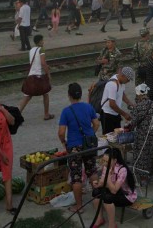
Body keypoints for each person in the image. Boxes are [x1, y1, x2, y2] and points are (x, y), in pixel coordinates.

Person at [59, 83, 100, 219]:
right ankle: (99, 199)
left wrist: (64, 142)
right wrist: (90, 135)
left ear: (69, 96)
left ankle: (79, 206)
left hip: (74, 147)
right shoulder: (88, 107)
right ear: (81, 94)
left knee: (76, 177)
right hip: (88, 145)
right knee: (92, 171)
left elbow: (61, 132)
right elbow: (96, 124)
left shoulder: (66, 111)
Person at [90, 146, 138, 228]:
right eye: (103, 160)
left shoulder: (122, 170)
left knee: (107, 198)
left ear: (115, 160)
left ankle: (112, 225)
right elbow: (103, 181)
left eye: (106, 161)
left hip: (126, 195)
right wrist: (98, 183)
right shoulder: (106, 166)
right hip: (114, 189)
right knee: (96, 192)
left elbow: (114, 190)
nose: (104, 163)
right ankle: (99, 218)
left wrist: (108, 177)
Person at [129, 83, 153, 187]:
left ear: (138, 94)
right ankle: (149, 174)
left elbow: (132, 123)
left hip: (141, 135)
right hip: (152, 134)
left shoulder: (137, 107)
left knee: (140, 155)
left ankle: (142, 179)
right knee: (150, 154)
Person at [18, 34, 52, 119]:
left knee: (27, 97)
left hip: (31, 76)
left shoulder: (31, 50)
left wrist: (46, 66)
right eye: (43, 40)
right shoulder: (41, 49)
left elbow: (35, 62)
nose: (43, 42)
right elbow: (43, 63)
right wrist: (48, 74)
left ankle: (17, 115)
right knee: (46, 94)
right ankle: (46, 114)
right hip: (38, 77)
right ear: (40, 41)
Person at [100, 67, 135, 133]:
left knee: (117, 134)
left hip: (115, 113)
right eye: (128, 79)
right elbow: (112, 104)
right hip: (107, 115)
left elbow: (121, 92)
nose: (128, 81)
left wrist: (129, 102)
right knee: (109, 136)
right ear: (123, 76)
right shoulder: (112, 84)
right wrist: (124, 114)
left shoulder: (121, 81)